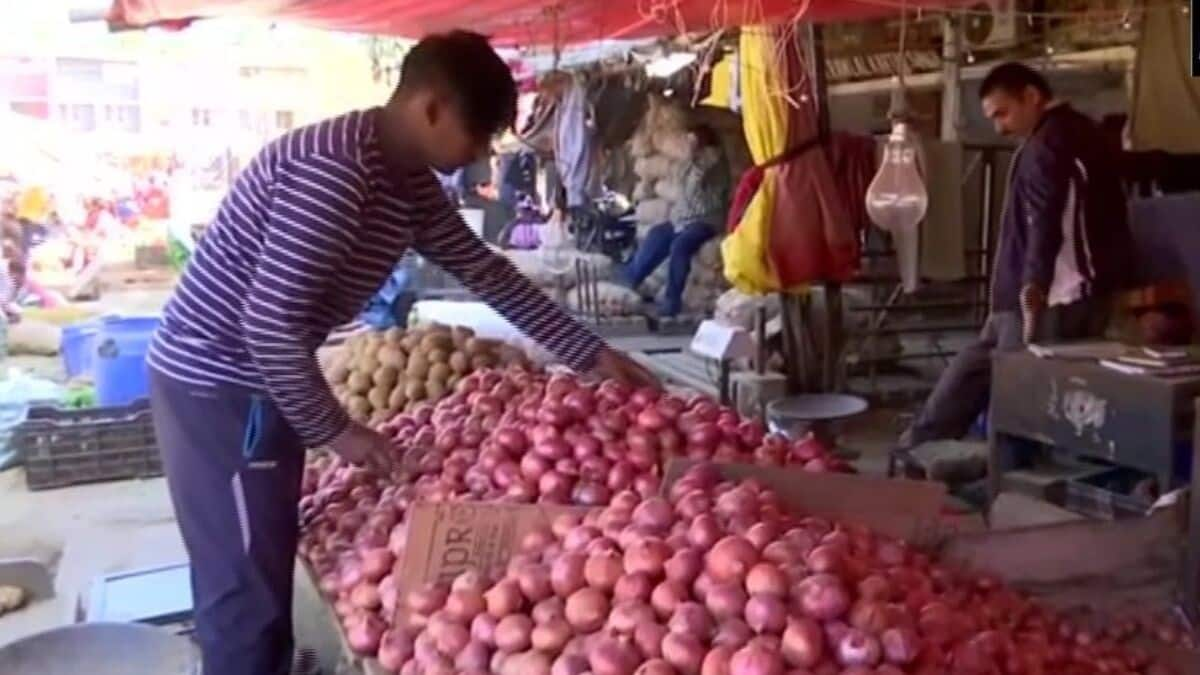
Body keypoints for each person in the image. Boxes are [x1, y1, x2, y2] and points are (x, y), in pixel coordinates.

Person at [146, 31, 656, 675]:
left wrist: (586, 352)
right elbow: (268, 323)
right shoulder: (336, 173)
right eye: (480, 132)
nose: (483, 152)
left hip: (266, 381)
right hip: (221, 385)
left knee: (267, 555)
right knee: (242, 579)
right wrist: (339, 433)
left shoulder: (405, 179)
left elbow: (485, 271)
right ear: (433, 107)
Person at [900, 62, 1134, 448]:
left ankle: (981, 463)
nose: (999, 128)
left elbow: (1044, 224)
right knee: (979, 368)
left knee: (1017, 389)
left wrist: (1033, 290)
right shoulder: (1069, 135)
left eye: (1003, 113)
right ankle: (923, 442)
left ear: (1032, 96)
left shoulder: (1052, 142)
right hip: (1023, 289)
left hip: (1050, 295)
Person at [622, 124, 730, 316]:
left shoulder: (713, 161)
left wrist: (691, 155)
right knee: (657, 235)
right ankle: (629, 281)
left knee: (680, 246)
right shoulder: (690, 161)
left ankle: (672, 302)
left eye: (694, 141)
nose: (688, 145)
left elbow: (695, 182)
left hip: (704, 220)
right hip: (682, 219)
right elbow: (680, 180)